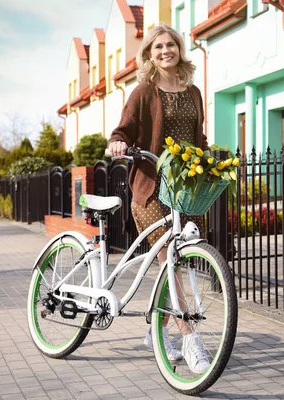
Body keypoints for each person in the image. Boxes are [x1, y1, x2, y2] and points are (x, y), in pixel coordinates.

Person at [107, 23, 209, 374]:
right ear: (149, 54)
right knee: (171, 262)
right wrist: (119, 142)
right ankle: (190, 338)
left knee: (179, 261)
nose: (166, 50)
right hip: (151, 188)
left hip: (184, 188)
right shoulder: (143, 92)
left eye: (171, 45)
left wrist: (211, 161)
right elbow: (123, 128)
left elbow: (198, 137)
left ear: (179, 49)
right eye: (159, 46)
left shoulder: (193, 91)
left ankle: (155, 330)